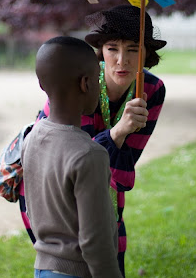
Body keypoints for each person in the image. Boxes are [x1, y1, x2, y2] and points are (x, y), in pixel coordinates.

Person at [20, 5, 167, 276]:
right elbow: (79, 160)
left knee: (109, 246)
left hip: (107, 196)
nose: (122, 60)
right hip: (52, 203)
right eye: (112, 48)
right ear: (101, 52)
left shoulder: (151, 90)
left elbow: (121, 176)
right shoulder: (80, 84)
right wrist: (118, 132)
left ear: (147, 53)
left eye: (133, 49)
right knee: (71, 260)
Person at [22, 36, 122, 278]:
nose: (101, 86)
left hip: (43, 269)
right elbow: (95, 242)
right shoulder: (90, 155)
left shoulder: (31, 138)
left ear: (41, 84)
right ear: (85, 84)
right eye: (99, 79)